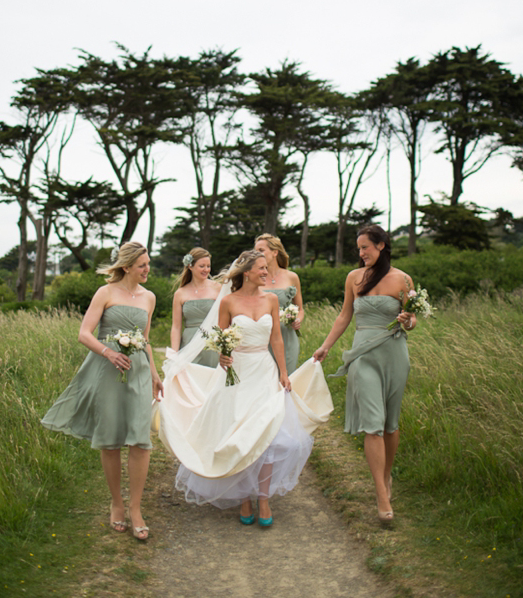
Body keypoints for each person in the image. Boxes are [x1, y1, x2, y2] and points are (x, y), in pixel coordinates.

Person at [158, 250, 333, 527]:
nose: (267, 272)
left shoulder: (272, 299)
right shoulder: (227, 301)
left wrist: (283, 374)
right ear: (247, 272)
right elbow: (220, 339)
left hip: (264, 370)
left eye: (266, 268)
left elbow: (276, 338)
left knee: (268, 434)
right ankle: (244, 497)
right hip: (237, 374)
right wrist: (223, 356)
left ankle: (263, 497)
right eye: (262, 268)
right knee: (239, 432)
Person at [41, 242, 164, 541]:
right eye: (142, 265)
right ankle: (116, 504)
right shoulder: (105, 293)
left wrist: (154, 372)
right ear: (126, 267)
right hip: (107, 372)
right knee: (109, 440)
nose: (148, 269)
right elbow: (84, 333)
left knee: (140, 439)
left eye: (148, 263)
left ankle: (136, 508)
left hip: (135, 373)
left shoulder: (149, 298)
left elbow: (145, 340)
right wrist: (108, 353)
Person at [313, 225, 414, 524]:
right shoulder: (354, 278)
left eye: (365, 247)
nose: (361, 253)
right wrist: (325, 347)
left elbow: (412, 320)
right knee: (373, 425)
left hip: (394, 353)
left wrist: (408, 320)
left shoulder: (403, 279)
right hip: (362, 354)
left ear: (381, 246)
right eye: (358, 248)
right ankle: (381, 496)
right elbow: (345, 315)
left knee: (390, 424)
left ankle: (385, 477)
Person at [254, 233, 304, 374]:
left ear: (275, 252)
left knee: (287, 377)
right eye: (255, 251)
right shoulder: (254, 278)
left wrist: (298, 319)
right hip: (263, 336)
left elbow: (300, 309)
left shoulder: (292, 277)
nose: (257, 254)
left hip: (287, 336)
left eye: (261, 250)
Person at [169, 247, 221, 366]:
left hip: (212, 342)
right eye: (202, 266)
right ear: (190, 266)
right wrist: (174, 354)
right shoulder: (180, 293)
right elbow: (176, 327)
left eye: (208, 266)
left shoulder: (218, 288)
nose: (206, 270)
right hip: (189, 344)